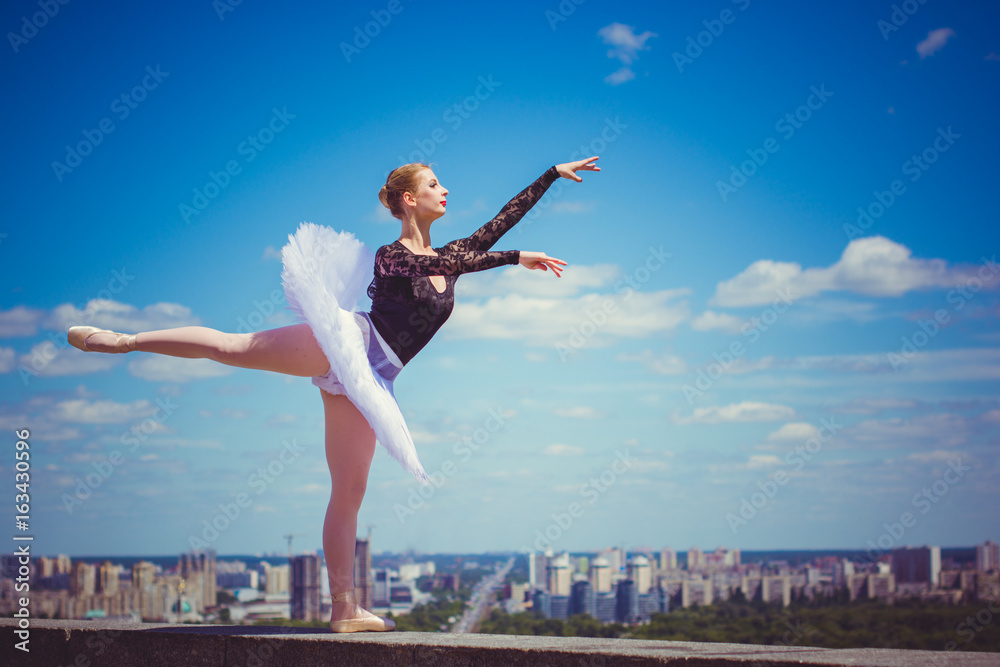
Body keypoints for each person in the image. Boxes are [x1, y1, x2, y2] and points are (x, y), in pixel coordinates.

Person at [67, 155, 601, 632]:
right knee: (233, 346)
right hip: (347, 344)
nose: (447, 191)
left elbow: (499, 221)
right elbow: (442, 264)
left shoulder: (455, 253)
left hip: (373, 378)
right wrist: (513, 258)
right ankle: (124, 340)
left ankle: (343, 607)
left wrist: (552, 175)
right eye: (436, 184)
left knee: (349, 491)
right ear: (408, 199)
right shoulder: (394, 257)